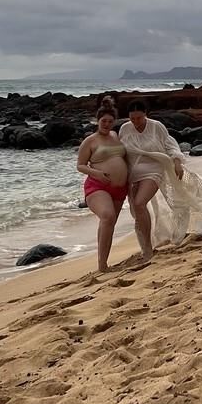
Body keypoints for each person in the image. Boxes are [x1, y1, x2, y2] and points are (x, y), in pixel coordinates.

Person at [119, 99, 202, 259]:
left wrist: (177, 162)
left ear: (145, 115)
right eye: (132, 118)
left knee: (140, 203)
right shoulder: (125, 129)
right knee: (137, 210)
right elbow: (121, 152)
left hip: (155, 170)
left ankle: (147, 250)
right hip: (133, 173)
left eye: (138, 118)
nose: (135, 122)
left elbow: (170, 145)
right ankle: (146, 245)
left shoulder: (156, 126)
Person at [76, 97, 127, 273]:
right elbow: (80, 165)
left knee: (109, 224)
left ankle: (104, 261)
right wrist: (97, 173)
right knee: (107, 216)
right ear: (97, 121)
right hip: (97, 186)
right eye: (103, 121)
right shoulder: (90, 141)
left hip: (120, 188)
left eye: (110, 121)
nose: (106, 124)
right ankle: (102, 266)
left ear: (114, 122)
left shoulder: (116, 136)